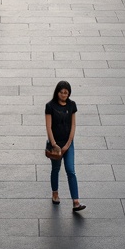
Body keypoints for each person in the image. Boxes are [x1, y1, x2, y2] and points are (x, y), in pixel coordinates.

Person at [45, 80, 84, 212]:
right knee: (55, 169)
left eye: (66, 93)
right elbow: (48, 127)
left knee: (70, 170)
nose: (63, 95)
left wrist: (68, 144)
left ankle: (76, 201)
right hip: (55, 144)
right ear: (57, 92)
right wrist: (54, 145)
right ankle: (55, 193)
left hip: (68, 144)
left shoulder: (72, 105)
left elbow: (73, 125)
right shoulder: (50, 106)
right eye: (61, 92)